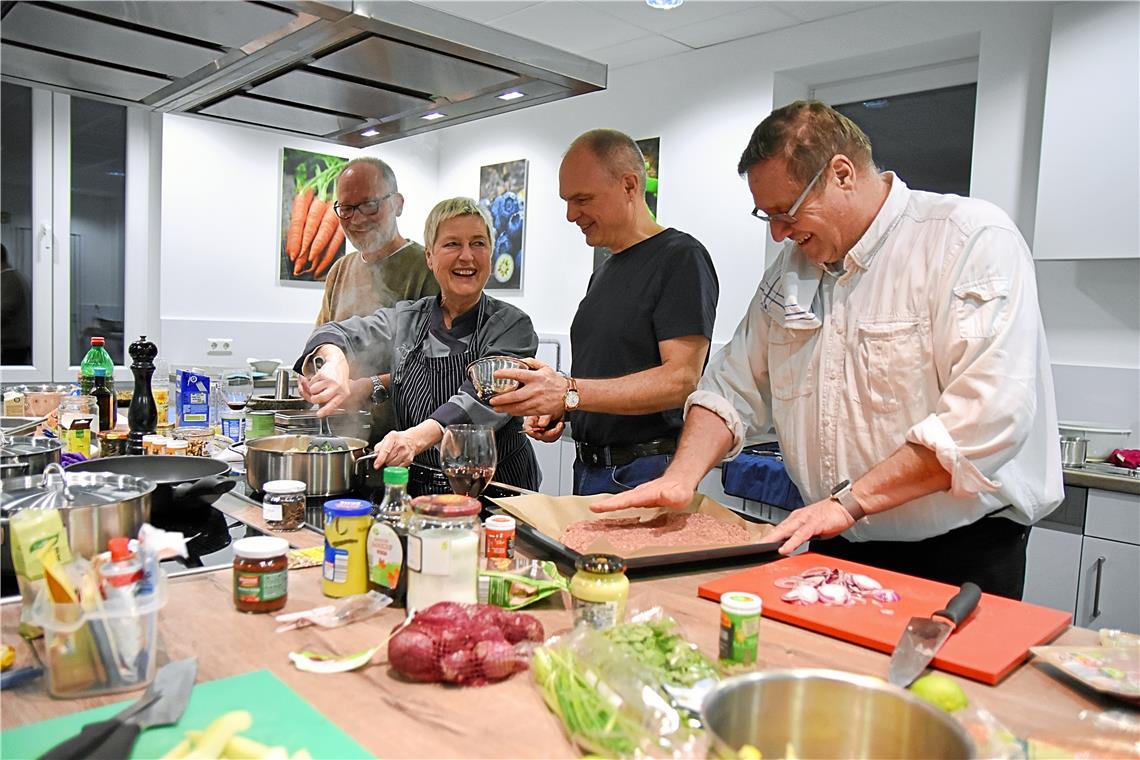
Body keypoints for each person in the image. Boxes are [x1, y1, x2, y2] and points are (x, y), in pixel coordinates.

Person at [593, 101, 1062, 600]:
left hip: (959, 554)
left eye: (785, 211)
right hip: (838, 542)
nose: (777, 232)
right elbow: (733, 386)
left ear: (841, 173)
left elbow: (984, 419)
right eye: (766, 215)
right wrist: (681, 477)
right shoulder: (791, 271)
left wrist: (849, 503)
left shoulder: (967, 240)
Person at [491, 129, 719, 495]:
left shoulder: (680, 257)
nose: (570, 215)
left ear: (630, 185)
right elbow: (609, 376)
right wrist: (563, 410)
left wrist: (569, 392)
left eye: (582, 199)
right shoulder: (605, 270)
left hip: (644, 472)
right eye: (566, 201)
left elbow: (681, 380)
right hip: (590, 469)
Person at [296, 197, 540, 493]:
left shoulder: (512, 325)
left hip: (496, 491)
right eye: (452, 244)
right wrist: (335, 362)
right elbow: (336, 333)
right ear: (429, 257)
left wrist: (415, 437)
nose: (467, 256)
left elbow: (482, 396)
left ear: (491, 253)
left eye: (478, 243)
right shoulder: (407, 319)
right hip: (420, 491)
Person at [315, 157, 440, 443]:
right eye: (346, 209)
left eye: (369, 205)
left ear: (397, 203)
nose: (357, 219)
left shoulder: (427, 267)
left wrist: (361, 387)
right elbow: (320, 342)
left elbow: (435, 370)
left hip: (409, 443)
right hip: (345, 438)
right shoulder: (340, 270)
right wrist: (318, 375)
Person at [1, 244, 32, 366]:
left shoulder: (9, 280)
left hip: (12, 347)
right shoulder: (8, 278)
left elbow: (4, 310)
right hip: (12, 345)